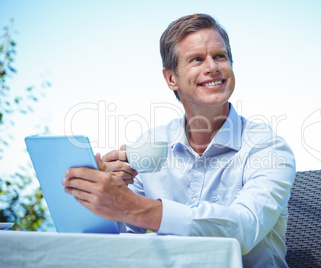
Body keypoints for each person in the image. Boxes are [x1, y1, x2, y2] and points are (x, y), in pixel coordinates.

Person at [62, 14, 296, 267]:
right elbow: (124, 238)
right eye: (197, 59)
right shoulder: (152, 143)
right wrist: (103, 196)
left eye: (220, 56)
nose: (213, 67)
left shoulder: (268, 147)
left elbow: (243, 229)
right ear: (171, 78)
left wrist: (134, 207)